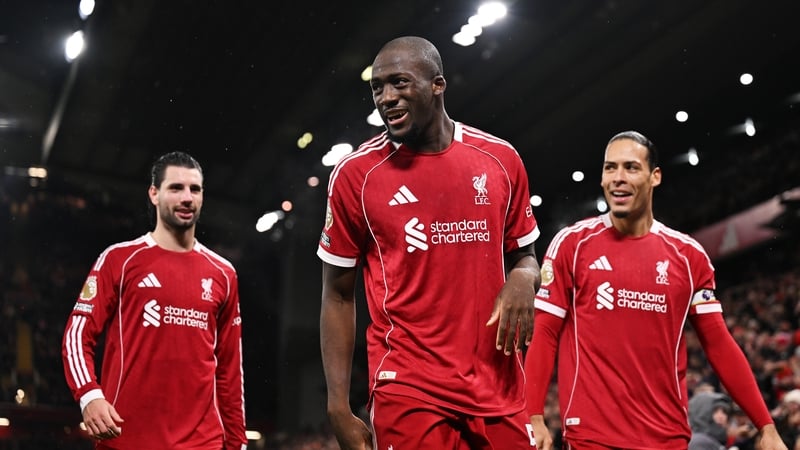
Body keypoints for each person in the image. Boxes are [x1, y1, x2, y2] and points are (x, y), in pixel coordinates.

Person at [317, 36, 541, 449]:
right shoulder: (356, 175)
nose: (386, 97)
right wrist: (337, 406)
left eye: (399, 83)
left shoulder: (500, 160)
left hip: (498, 384)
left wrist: (524, 280)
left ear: (437, 85)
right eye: (377, 88)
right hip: (408, 386)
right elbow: (337, 295)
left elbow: (525, 256)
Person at [524, 130, 786, 450]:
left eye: (631, 168)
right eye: (610, 168)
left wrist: (765, 425)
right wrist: (534, 414)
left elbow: (718, 343)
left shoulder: (689, 257)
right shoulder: (573, 244)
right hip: (593, 437)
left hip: (668, 437)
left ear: (655, 177)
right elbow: (546, 331)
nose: (618, 178)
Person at [61, 151, 247, 449]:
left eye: (194, 189)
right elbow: (77, 334)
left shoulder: (223, 273)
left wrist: (238, 444)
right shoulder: (119, 259)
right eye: (176, 188)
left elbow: (229, 369)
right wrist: (89, 395)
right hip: (126, 439)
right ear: (154, 194)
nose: (187, 197)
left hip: (202, 443)